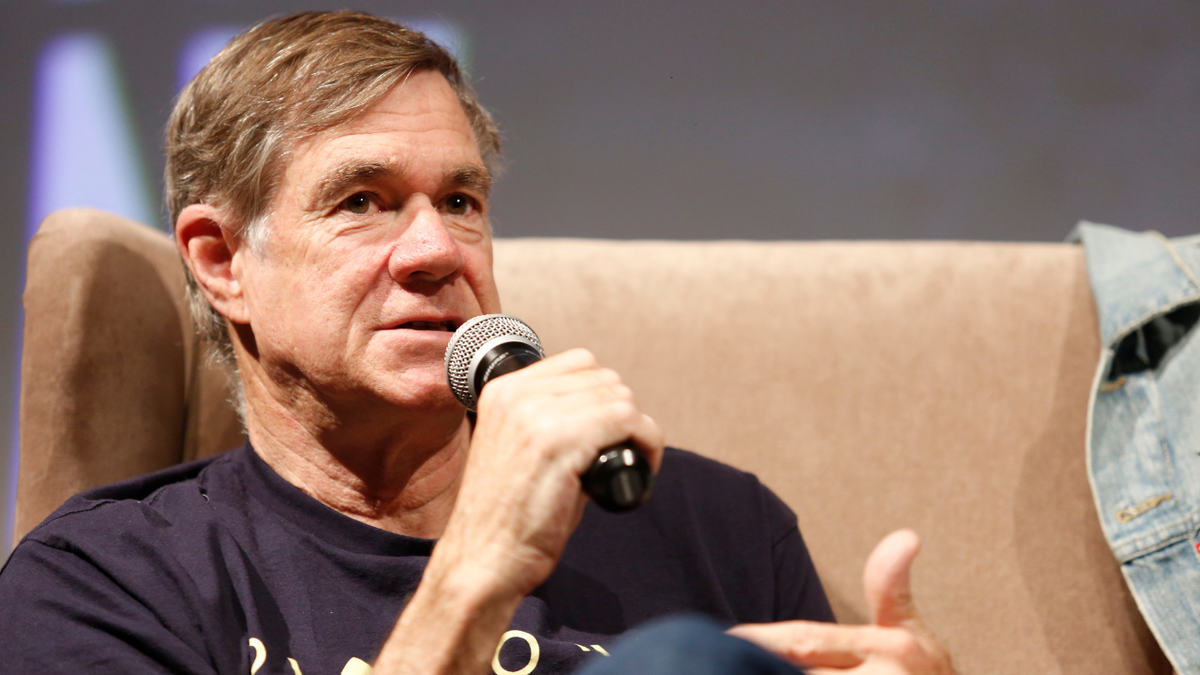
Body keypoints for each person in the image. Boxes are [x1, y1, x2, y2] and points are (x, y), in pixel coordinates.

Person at [0, 11, 953, 675]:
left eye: (460, 201)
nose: (434, 250)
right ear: (221, 262)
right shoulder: (110, 582)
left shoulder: (717, 525)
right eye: (362, 202)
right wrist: (475, 571)